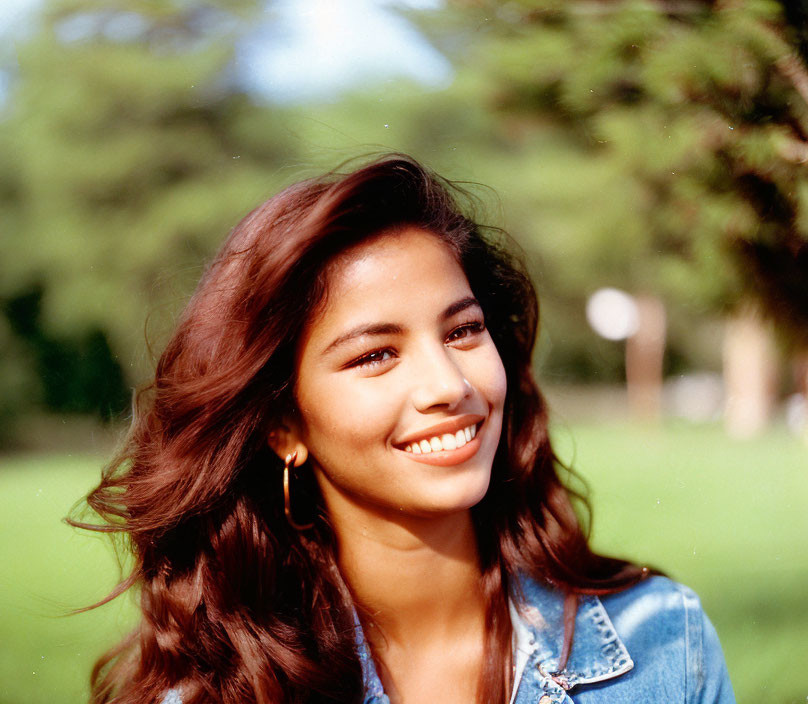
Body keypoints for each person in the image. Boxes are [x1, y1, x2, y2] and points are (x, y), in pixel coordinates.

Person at [73, 155, 735, 703]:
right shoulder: (217, 695)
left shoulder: (662, 642)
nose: (450, 385)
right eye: (376, 355)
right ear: (283, 425)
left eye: (464, 330)